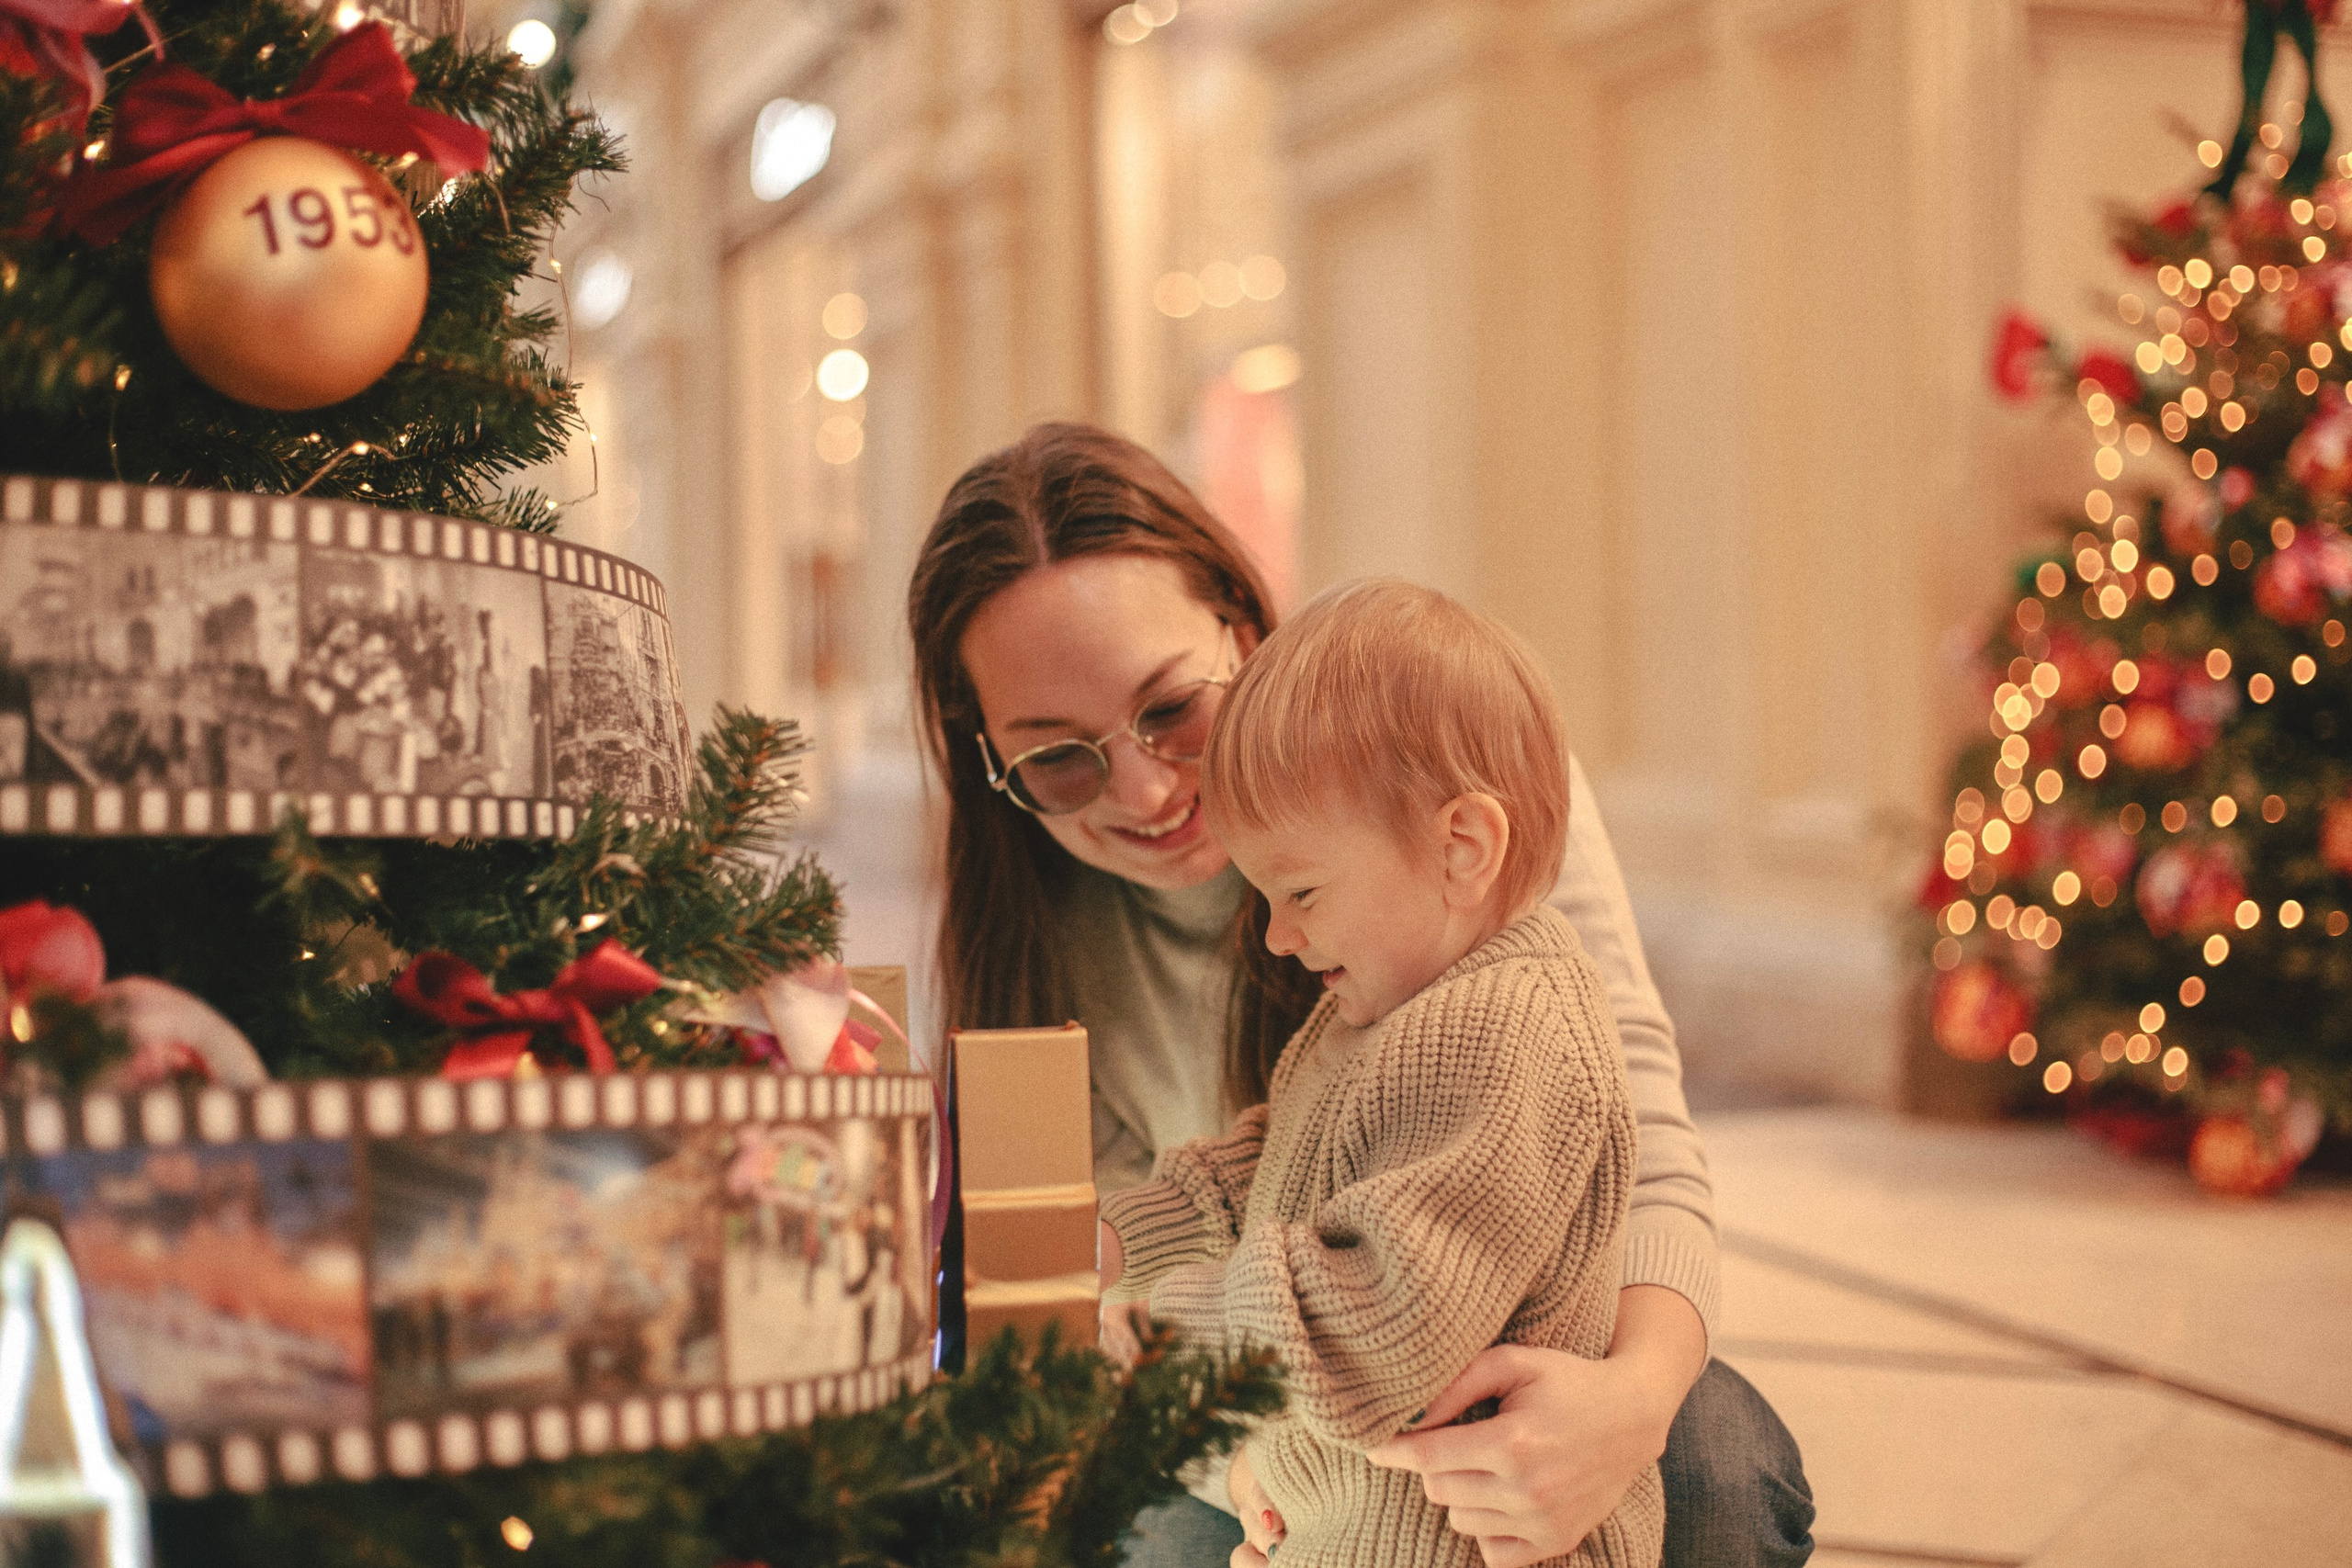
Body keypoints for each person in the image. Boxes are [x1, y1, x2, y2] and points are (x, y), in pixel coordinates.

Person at [908, 423, 1812, 1568]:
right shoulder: (1033, 940)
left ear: (1241, 629)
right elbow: (1193, 1213)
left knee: (1718, 1477)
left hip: (1416, 1347)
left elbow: (1633, 1145)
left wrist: (1628, 1399)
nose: (1140, 788)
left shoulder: (1458, 781)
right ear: (988, 760)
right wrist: (1245, 1472)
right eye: (1056, 756)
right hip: (1252, 1394)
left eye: (1170, 706)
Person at [1097, 579, 1662, 1568]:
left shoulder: (1508, 1029)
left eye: (1301, 889)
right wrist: (1115, 1235)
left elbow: (1376, 1313)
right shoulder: (1384, 1006)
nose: (1276, 934)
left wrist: (1165, 1328)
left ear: (1461, 847)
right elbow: (1269, 1170)